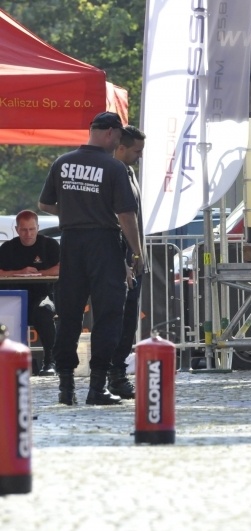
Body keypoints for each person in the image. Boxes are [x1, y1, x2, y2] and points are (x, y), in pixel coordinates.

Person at [38, 111, 145, 406]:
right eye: (119, 137)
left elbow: (45, 203)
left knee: (69, 313)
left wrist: (75, 213)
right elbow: (126, 215)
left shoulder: (62, 162)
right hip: (104, 243)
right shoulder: (113, 168)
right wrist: (137, 253)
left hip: (71, 242)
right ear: (110, 133)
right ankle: (97, 386)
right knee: (109, 313)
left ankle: (66, 387)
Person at [107, 125, 147, 399]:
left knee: (129, 318)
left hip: (133, 256)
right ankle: (114, 374)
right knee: (119, 318)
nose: (139, 156)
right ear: (121, 147)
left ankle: (117, 372)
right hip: (121, 257)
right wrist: (129, 257)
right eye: (136, 150)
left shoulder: (128, 172)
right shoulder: (112, 173)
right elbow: (118, 220)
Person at [0, 210, 60, 376]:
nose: (28, 234)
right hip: (14, 298)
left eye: (32, 229)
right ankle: (9, 360)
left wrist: (39, 274)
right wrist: (20, 272)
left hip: (44, 295)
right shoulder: (7, 248)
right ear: (17, 229)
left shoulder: (50, 245)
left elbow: (61, 268)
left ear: (38, 228)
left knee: (43, 312)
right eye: (24, 230)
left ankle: (50, 361)